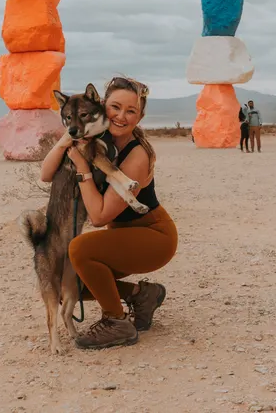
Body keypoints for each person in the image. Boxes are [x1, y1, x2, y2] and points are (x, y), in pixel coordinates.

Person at [39, 76, 177, 350]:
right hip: (124, 236)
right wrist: (66, 140)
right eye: (115, 107)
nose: (121, 116)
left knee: (79, 249)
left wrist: (82, 168)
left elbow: (100, 216)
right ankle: (141, 294)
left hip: (153, 236)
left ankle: (116, 322)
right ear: (102, 106)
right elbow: (45, 174)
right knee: (68, 276)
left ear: (140, 116)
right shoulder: (98, 140)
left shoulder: (136, 155)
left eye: (131, 111)